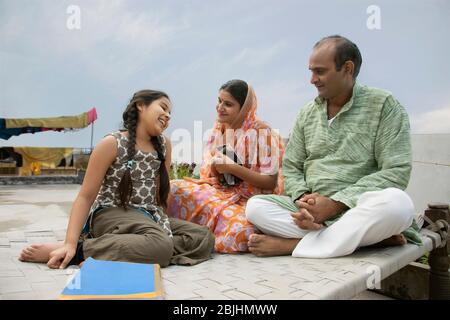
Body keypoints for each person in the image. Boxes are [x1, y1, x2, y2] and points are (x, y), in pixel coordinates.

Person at [245, 35, 422, 258]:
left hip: (357, 209)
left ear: (347, 68)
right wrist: (305, 201)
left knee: (398, 206)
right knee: (256, 207)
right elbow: (291, 166)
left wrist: (336, 203)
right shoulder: (306, 113)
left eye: (320, 71)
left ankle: (291, 246)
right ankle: (362, 240)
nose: (312, 79)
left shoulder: (384, 105)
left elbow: (396, 171)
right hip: (312, 214)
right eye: (311, 71)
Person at [20, 90, 214, 269]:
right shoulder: (112, 143)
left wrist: (160, 222)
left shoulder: (164, 146)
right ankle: (79, 251)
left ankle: (128, 247)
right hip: (112, 213)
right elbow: (85, 197)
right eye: (163, 107)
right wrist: (69, 242)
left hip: (148, 216)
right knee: (160, 244)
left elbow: (161, 193)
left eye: (170, 112)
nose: (168, 116)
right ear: (140, 105)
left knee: (203, 237)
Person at [167, 80, 285, 253]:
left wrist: (232, 168)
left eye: (228, 104)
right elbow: (210, 175)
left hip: (249, 200)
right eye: (219, 101)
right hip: (221, 192)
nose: (220, 107)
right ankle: (194, 232)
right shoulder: (219, 129)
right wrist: (218, 168)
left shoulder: (261, 132)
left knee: (241, 232)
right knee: (173, 189)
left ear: (245, 108)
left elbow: (270, 183)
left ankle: (204, 232)